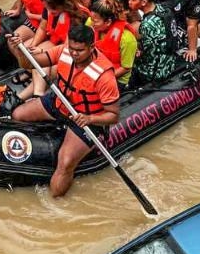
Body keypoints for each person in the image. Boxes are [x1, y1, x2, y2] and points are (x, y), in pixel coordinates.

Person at [9, 25, 120, 197]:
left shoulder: (105, 76)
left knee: (66, 162)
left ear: (92, 47)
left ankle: (55, 203)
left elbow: (113, 116)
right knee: (18, 115)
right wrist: (20, 51)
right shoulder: (63, 51)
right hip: (59, 103)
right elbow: (29, 64)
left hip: (84, 119)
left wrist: (89, 119)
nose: (74, 54)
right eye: (72, 48)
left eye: (80, 50)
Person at [14, 0, 90, 99]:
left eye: (52, 9)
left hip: (71, 50)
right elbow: (43, 28)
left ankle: (27, 97)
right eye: (47, 8)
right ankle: (30, 85)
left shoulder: (77, 18)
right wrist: (34, 45)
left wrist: (41, 50)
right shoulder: (50, 8)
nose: (49, 11)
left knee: (42, 61)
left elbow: (67, 46)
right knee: (26, 50)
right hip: (56, 41)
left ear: (62, 5)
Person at [128, 0, 177, 88]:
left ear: (144, 2)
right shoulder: (163, 8)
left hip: (155, 72)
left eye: (132, 0)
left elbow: (146, 54)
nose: (129, 2)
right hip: (170, 61)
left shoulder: (147, 25)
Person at [86, 0, 137, 86]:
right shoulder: (91, 23)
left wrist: (101, 79)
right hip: (94, 69)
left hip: (117, 79)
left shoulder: (127, 39)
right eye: (91, 19)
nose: (92, 23)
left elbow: (125, 68)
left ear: (108, 22)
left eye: (95, 21)